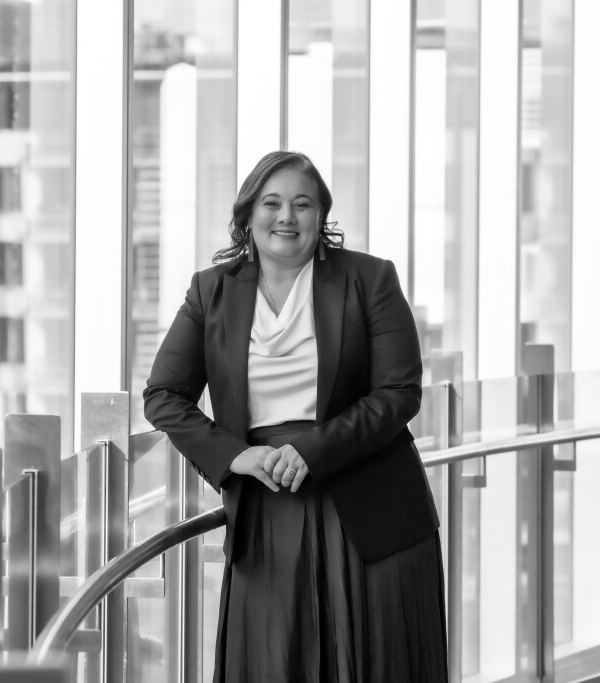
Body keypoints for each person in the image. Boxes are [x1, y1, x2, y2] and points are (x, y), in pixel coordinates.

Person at [144, 151, 448, 682]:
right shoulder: (210, 290)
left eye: (302, 204)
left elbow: (398, 392)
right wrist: (236, 457)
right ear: (248, 215)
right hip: (268, 506)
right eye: (272, 203)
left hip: (371, 509)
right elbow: (163, 395)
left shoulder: (370, 278)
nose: (286, 216)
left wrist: (311, 451)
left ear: (321, 215)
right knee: (274, 661)